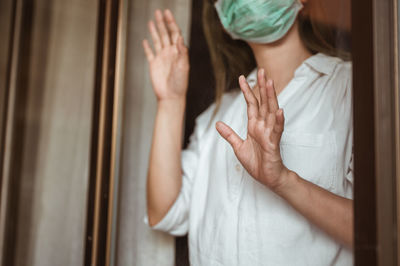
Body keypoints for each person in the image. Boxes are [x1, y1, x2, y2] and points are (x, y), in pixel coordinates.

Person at [142, 0, 353, 265]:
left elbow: (382, 229)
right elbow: (163, 212)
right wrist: (170, 102)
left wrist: (283, 180)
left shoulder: (353, 91)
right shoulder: (217, 118)